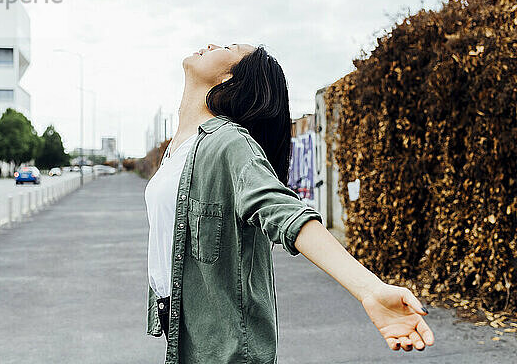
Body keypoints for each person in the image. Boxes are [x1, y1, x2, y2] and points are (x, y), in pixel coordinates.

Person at [144, 44, 435, 363]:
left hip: (226, 351)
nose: (212, 44)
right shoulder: (179, 149)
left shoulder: (229, 144)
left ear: (230, 79)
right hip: (188, 340)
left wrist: (369, 289)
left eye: (227, 47)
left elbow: (284, 213)